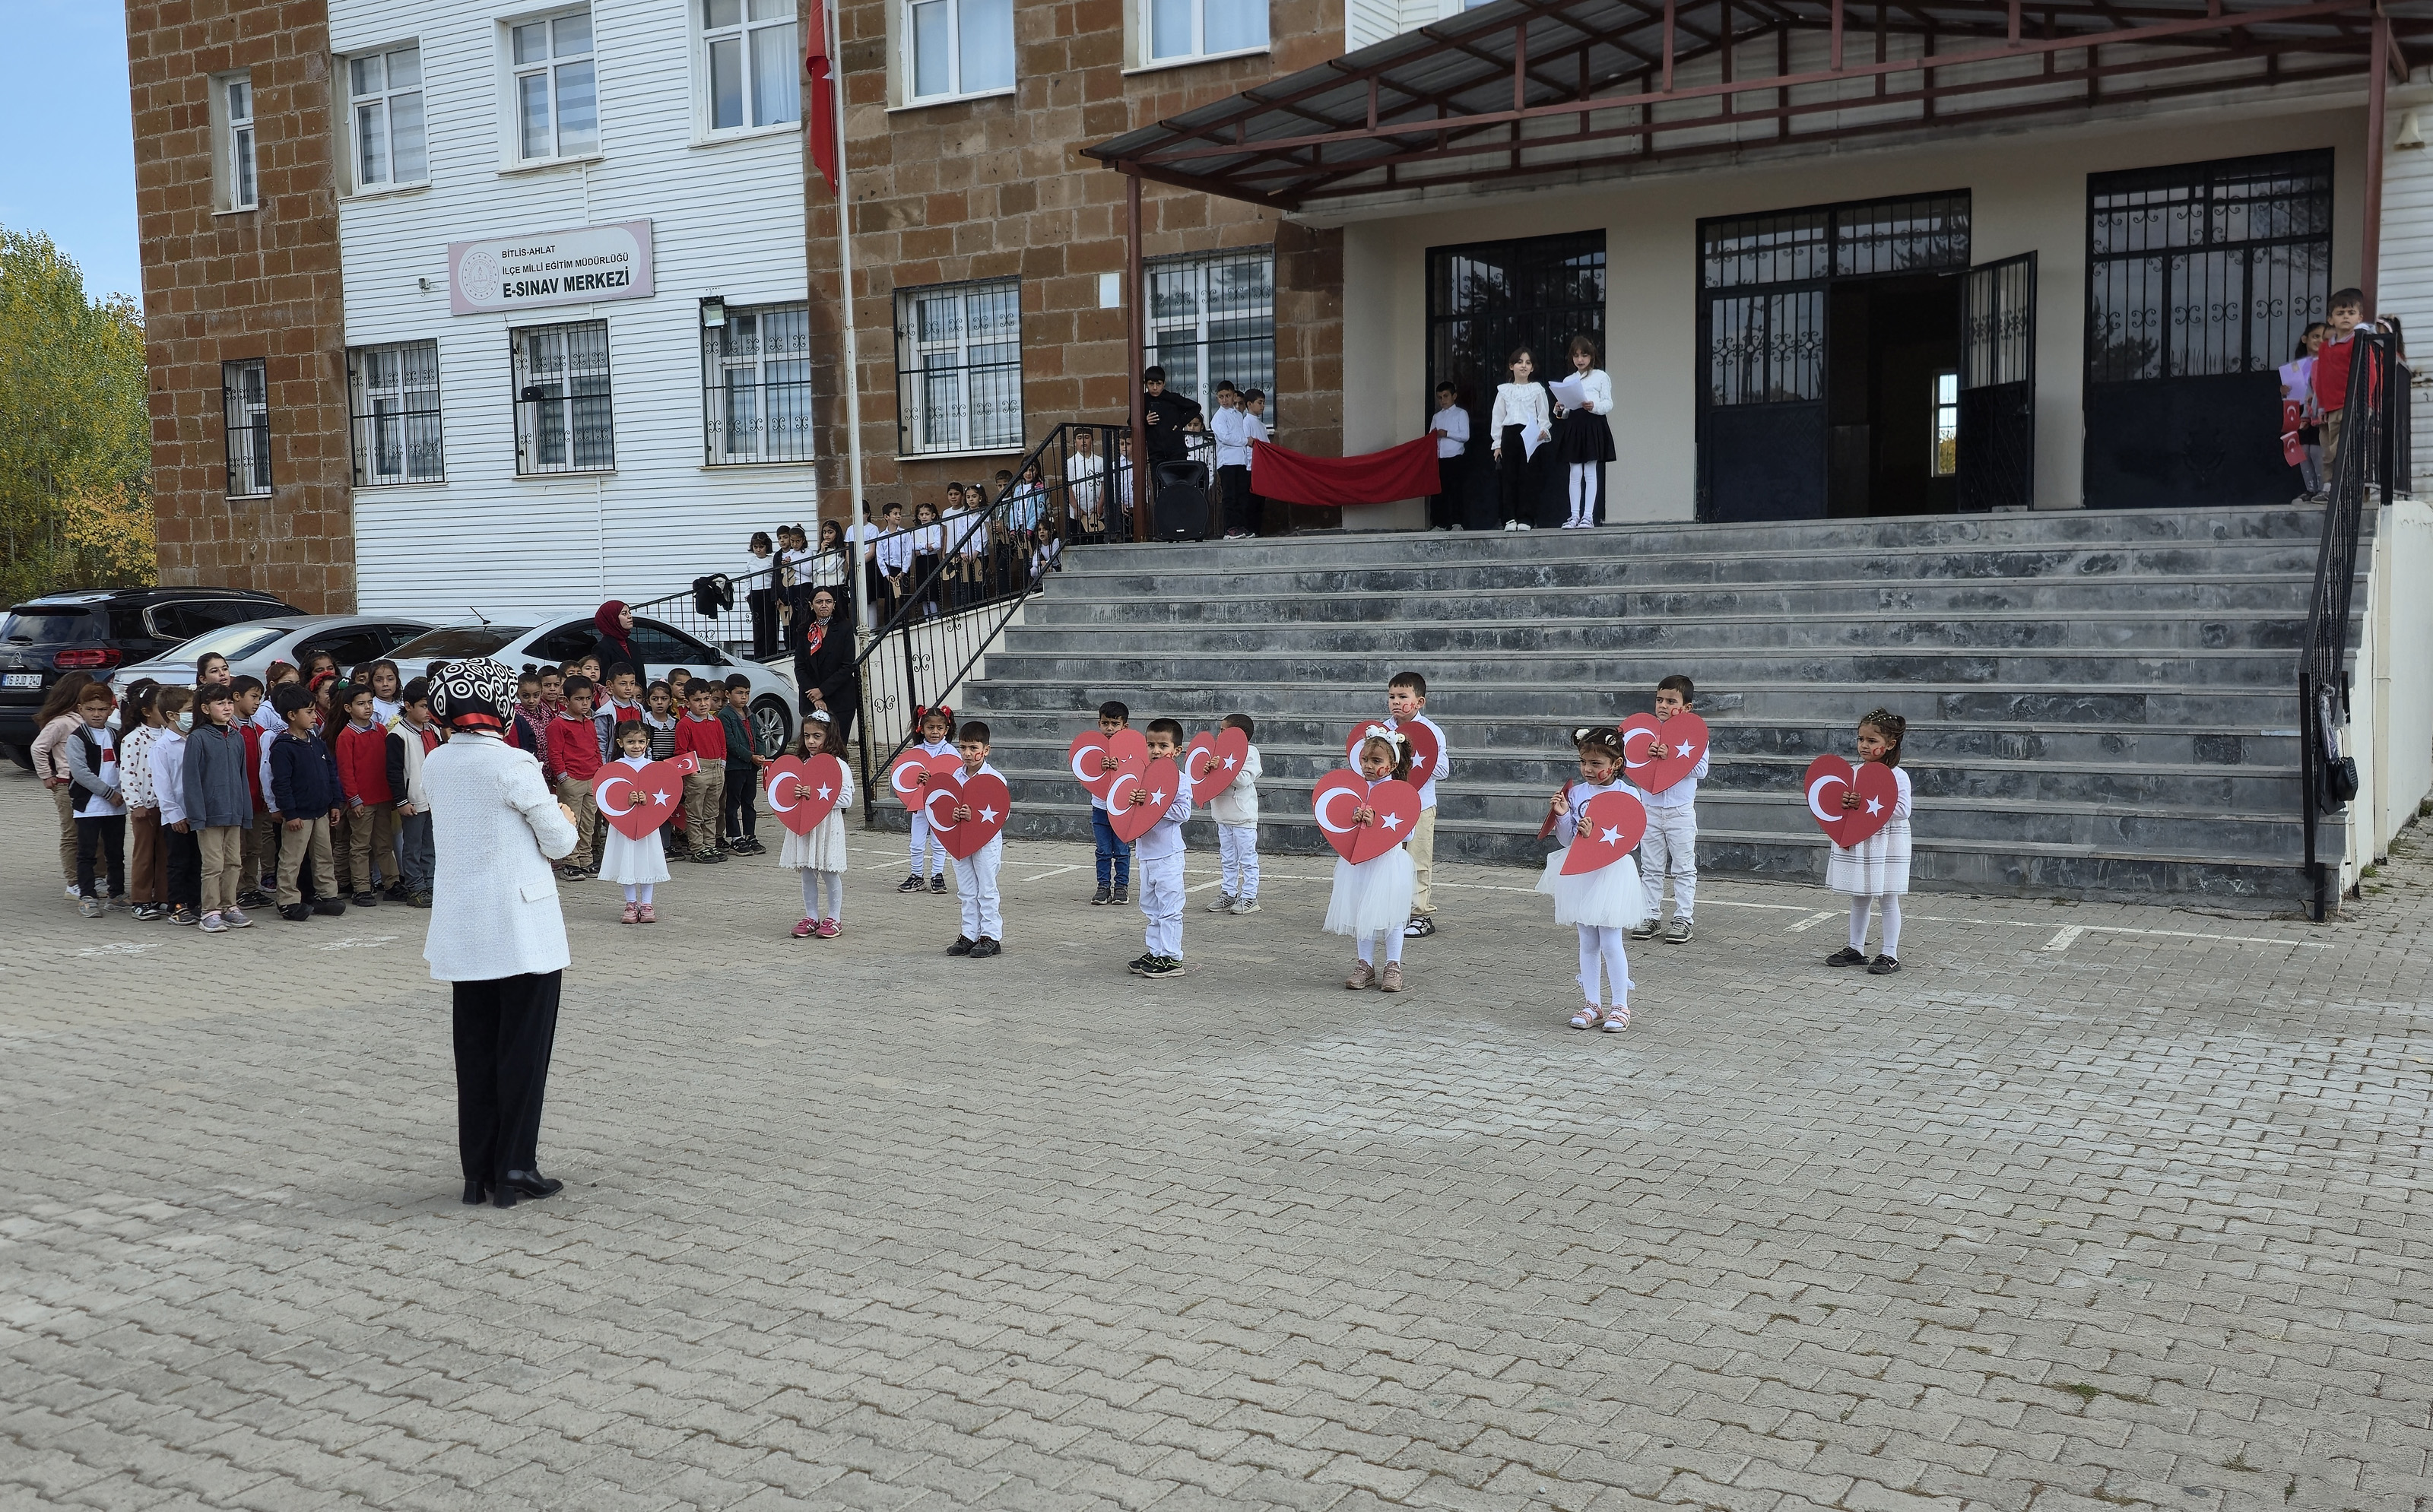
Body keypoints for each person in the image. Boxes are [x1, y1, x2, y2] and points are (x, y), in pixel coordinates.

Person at [423, 658, 581, 1210]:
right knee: (522, 1052)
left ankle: (478, 1170)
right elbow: (559, 841)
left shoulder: (437, 760)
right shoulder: (514, 761)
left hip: (464, 926)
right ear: (501, 706)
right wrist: (565, 814)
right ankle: (516, 1164)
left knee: (474, 1052)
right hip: (519, 928)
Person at [1538, 726, 1645, 1031]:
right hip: (1581, 872)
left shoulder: (1628, 794)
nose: (1587, 769)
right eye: (1583, 761)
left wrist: (1595, 835)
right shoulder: (1577, 794)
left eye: (1596, 763)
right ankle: (1592, 1003)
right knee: (1587, 941)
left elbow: (1631, 841)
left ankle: (1620, 1005)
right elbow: (1567, 840)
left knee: (1611, 941)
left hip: (1611, 874)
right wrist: (1562, 815)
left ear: (1616, 764)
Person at [1328, 730, 1419, 992]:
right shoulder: (1356, 791)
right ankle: (1365, 964)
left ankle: (1393, 965)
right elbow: (1342, 826)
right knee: (1362, 912)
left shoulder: (1399, 793)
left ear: (1392, 765)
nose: (1368, 765)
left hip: (1388, 864)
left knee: (1392, 916)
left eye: (1377, 761)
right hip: (1360, 864)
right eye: (1365, 759)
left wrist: (1377, 821)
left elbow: (1408, 832)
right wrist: (1354, 819)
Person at [1826, 708, 1914, 975]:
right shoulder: (1853, 773)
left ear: (1890, 744)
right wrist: (1845, 803)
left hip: (1886, 842)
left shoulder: (1897, 776)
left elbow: (1903, 810)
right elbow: (1840, 808)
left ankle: (1890, 953)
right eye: (1861, 739)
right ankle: (1855, 948)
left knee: (1888, 897)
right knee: (1860, 895)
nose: (1864, 745)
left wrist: (1865, 804)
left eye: (1872, 741)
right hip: (1860, 841)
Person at [1629, 674, 1708, 945]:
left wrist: (1672, 756)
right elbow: (1632, 763)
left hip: (1680, 811)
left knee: (1684, 868)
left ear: (1687, 707)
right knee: (1650, 867)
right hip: (1650, 809)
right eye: (1659, 699)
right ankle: (1650, 915)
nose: (1663, 705)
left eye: (1671, 701)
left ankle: (1684, 918)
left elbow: (1701, 769)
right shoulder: (1646, 734)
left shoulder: (1695, 734)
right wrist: (1647, 754)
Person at [270, 683, 346, 921]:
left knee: (324, 855)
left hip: (321, 811)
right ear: (292, 715)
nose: (314, 716)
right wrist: (290, 813)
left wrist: (335, 803)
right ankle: (287, 900)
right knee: (292, 859)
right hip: (299, 814)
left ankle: (327, 894)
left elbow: (331, 773)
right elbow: (281, 783)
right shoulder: (283, 747)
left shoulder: (316, 742)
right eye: (309, 712)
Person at [182, 683, 255, 932]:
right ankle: (209, 911)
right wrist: (197, 815)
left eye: (229, 703)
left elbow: (243, 776)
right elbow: (191, 780)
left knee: (234, 862)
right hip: (209, 814)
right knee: (213, 864)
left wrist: (245, 811)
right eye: (220, 703)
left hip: (234, 811)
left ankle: (229, 906)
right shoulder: (198, 738)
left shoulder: (236, 737)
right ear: (205, 708)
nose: (227, 707)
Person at [1126, 718, 1194, 979]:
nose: (1156, 751)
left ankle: (1172, 957)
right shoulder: (1142, 777)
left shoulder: (1180, 780)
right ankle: (1156, 952)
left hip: (1168, 855)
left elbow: (1183, 813)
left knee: (1170, 908)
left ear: (1176, 750)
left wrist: (1154, 804)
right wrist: (1132, 800)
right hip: (1146, 853)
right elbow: (1132, 814)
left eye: (1163, 746)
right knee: (1151, 907)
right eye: (1151, 745)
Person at [779, 711, 853, 938]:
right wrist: (796, 794)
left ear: (829, 736)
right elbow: (788, 794)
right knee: (807, 872)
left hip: (827, 825)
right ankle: (811, 916)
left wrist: (817, 798)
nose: (811, 741)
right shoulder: (802, 764)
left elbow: (846, 799)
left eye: (817, 736)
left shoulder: (839, 765)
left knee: (829, 871)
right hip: (804, 825)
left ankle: (835, 918)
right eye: (807, 736)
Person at [1387, 671, 1450, 938]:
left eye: (1403, 697)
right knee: (1390, 859)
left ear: (1419, 701)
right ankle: (1392, 911)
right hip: (1390, 807)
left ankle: (1420, 914)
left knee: (1418, 860)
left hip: (1421, 806)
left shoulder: (1431, 732)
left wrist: (1412, 758)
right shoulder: (1383, 730)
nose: (1396, 702)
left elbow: (1443, 770)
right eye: (1392, 696)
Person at [62, 680, 128, 918]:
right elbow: (81, 773)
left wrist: (123, 793)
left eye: (102, 709)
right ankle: (87, 896)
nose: (97, 714)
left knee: (116, 853)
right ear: (81, 709)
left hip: (117, 805)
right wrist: (109, 793)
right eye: (91, 709)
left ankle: (117, 893)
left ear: (111, 710)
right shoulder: (77, 738)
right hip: (90, 805)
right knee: (87, 852)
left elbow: (123, 766)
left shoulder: (116, 735)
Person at [32, 670, 100, 899]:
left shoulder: (88, 719)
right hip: (67, 785)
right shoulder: (61, 722)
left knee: (96, 833)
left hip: (93, 784)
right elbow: (38, 748)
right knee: (72, 834)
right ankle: (74, 882)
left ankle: (97, 877)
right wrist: (46, 775)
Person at [598, 721, 671, 923]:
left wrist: (647, 799)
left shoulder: (652, 767)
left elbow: (660, 796)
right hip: (624, 825)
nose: (636, 746)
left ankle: (647, 903)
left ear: (647, 742)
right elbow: (610, 797)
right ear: (620, 743)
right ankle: (630, 903)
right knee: (627, 860)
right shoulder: (615, 768)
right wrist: (627, 800)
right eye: (631, 742)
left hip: (647, 825)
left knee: (647, 859)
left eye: (641, 741)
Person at [945, 720, 1007, 959]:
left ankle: (991, 935)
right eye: (963, 747)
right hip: (960, 840)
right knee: (966, 889)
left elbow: (1002, 813)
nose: (967, 753)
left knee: (986, 888)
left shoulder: (995, 778)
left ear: (986, 750)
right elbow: (947, 806)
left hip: (986, 842)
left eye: (973, 748)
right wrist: (954, 814)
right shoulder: (956, 776)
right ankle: (969, 933)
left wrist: (976, 817)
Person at [334, 684, 398, 907]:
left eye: (370, 702)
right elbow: (346, 771)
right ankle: (361, 887)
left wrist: (391, 795)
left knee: (384, 843)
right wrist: (354, 798)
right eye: (361, 704)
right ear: (348, 708)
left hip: (382, 797)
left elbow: (386, 764)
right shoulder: (347, 736)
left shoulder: (380, 730)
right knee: (360, 846)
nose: (367, 707)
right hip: (362, 800)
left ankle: (392, 883)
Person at [543, 676, 607, 877]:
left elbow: (596, 749)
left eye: (588, 699)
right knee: (572, 822)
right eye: (579, 699)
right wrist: (564, 778)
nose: (585, 703)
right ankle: (570, 861)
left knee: (589, 822)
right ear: (566, 700)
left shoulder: (589, 722)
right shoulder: (558, 724)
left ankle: (586, 858)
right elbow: (554, 753)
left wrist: (600, 770)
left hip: (592, 778)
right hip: (572, 780)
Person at [1553, 334, 1616, 528]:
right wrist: (1559, 409)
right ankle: (1574, 516)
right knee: (1574, 471)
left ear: (1592, 356)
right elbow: (1565, 412)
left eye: (1584, 355)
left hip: (1592, 423)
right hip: (1574, 424)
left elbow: (1608, 404)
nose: (1580, 360)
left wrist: (1593, 406)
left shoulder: (1601, 376)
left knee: (1589, 470)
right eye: (1576, 355)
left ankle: (1588, 516)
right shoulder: (1569, 379)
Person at [389, 679, 441, 908]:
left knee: (430, 844)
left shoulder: (434, 731)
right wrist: (402, 801)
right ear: (408, 706)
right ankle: (415, 888)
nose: (428, 711)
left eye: (431, 706)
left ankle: (431, 883)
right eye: (423, 706)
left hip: (433, 800)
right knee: (412, 847)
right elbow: (393, 772)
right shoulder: (398, 735)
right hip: (413, 800)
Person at [1205, 712, 1264, 916]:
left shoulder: (1250, 752)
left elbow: (1244, 779)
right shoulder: (1216, 752)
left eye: (1224, 731)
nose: (1219, 734)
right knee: (1228, 858)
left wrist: (1221, 768)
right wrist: (1208, 769)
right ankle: (1228, 893)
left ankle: (1250, 896)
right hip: (1222, 815)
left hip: (1243, 817)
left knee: (1247, 859)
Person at [119, 680, 167, 921]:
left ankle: (163, 896)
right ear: (147, 711)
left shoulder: (170, 735)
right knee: (144, 854)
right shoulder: (134, 738)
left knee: (165, 853)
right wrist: (135, 804)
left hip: (165, 807)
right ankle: (141, 900)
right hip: (144, 808)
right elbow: (127, 773)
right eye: (161, 707)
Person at [1490, 345, 1552, 532]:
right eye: (1519, 362)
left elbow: (1543, 416)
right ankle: (1509, 518)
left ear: (1532, 368)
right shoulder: (1504, 391)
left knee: (1528, 477)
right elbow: (1498, 418)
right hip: (1510, 435)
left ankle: (1526, 517)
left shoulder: (1537, 389)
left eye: (1528, 363)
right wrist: (1497, 444)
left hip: (1530, 434)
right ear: (1512, 366)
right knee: (1509, 477)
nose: (1523, 366)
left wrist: (1543, 431)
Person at [152, 686, 200, 924]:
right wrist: (174, 814)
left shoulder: (195, 739)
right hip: (177, 816)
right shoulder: (162, 747)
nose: (193, 715)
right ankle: (177, 905)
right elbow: (163, 786)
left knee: (197, 860)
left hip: (198, 813)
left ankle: (195, 902)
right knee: (178, 862)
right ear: (172, 715)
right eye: (189, 710)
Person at [900, 705, 957, 892]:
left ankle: (937, 875)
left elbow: (955, 777)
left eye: (939, 728)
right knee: (916, 843)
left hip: (940, 805)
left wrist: (934, 780)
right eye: (930, 727)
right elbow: (908, 778)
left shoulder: (951, 752)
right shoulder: (916, 752)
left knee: (938, 842)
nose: (935, 732)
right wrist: (917, 779)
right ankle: (917, 875)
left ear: (946, 729)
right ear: (921, 728)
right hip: (920, 805)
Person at [794, 586, 858, 750]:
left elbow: (847, 666)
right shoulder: (804, 631)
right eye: (819, 602)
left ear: (834, 605)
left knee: (836, 748)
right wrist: (815, 697)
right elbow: (800, 667)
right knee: (813, 749)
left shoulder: (844, 628)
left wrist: (822, 691)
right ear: (811, 605)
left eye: (828, 601)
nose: (824, 605)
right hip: (811, 700)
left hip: (840, 700)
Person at [674, 681, 729, 864]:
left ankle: (710, 844)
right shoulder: (685, 724)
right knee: (695, 811)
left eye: (706, 699)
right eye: (697, 700)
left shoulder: (716, 721)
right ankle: (697, 847)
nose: (703, 704)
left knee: (712, 811)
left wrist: (722, 766)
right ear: (687, 701)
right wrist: (693, 772)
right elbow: (681, 751)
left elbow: (723, 746)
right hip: (697, 770)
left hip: (716, 769)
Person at [1087, 700, 1134, 906]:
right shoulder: (1094, 749)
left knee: (1122, 850)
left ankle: (1121, 886)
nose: (1109, 728)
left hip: (1122, 809)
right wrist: (1099, 767)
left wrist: (1119, 768)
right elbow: (1085, 774)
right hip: (1100, 808)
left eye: (1115, 724)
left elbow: (1136, 773)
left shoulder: (1131, 748)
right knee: (1103, 850)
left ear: (1125, 726)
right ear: (1099, 723)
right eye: (1105, 723)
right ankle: (1103, 887)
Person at [719, 675, 766, 856]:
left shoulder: (750, 714)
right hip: (735, 767)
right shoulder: (725, 716)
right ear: (728, 694)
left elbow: (759, 736)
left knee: (749, 802)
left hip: (751, 767)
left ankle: (750, 835)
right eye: (739, 693)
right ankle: (735, 837)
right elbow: (730, 743)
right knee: (733, 803)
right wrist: (750, 756)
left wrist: (761, 754)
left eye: (747, 693)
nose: (744, 697)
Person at [2282, 325, 2327, 503]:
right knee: (2302, 451)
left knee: (2318, 450)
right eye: (2315, 336)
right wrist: (2284, 393)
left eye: (2324, 337)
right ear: (2304, 339)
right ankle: (2310, 489)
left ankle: (2322, 489)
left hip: (2319, 411)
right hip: (2299, 412)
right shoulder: (2295, 367)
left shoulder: (2327, 361)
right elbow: (2290, 395)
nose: (2320, 341)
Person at [1210, 382, 1255, 539]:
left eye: (1228, 396)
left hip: (1240, 461)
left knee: (1241, 495)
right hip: (1227, 462)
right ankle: (1230, 528)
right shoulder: (1218, 417)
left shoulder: (1238, 415)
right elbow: (1225, 437)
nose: (1225, 400)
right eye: (1221, 397)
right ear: (1217, 398)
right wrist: (1245, 441)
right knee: (1230, 496)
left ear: (1234, 396)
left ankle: (1241, 525)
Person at [1427, 382, 1470, 532]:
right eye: (1440, 397)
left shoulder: (1461, 414)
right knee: (1439, 492)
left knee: (1456, 491)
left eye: (1446, 396)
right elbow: (1430, 437)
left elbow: (1465, 436)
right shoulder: (1436, 417)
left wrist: (1447, 434)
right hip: (1440, 458)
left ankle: (1458, 523)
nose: (1443, 400)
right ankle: (1440, 524)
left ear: (1454, 396)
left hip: (1455, 458)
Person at [1140, 365, 1201, 468]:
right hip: (1156, 453)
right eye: (1151, 383)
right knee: (1158, 477)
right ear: (1146, 384)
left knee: (1177, 477)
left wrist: (1180, 424)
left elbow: (1196, 407)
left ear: (1163, 384)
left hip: (1176, 450)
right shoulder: (1143, 400)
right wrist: (1145, 421)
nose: (1155, 388)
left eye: (1158, 384)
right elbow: (1131, 421)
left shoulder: (1172, 398)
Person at [745, 531, 781, 658]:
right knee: (758, 626)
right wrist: (747, 594)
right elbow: (747, 578)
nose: (758, 550)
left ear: (767, 546)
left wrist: (776, 595)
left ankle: (772, 654)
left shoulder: (772, 560)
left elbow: (776, 578)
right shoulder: (751, 561)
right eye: (755, 547)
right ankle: (759, 656)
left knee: (771, 625)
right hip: (755, 594)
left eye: (761, 547)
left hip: (769, 593)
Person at [588, 600, 642, 677]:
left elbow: (641, 676)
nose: (630, 616)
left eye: (629, 612)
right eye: (624, 614)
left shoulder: (634, 645)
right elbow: (603, 678)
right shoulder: (602, 648)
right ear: (612, 618)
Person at [368, 660, 404, 724]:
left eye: (390, 679)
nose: (385, 684)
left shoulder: (402, 704)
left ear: (397, 682)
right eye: (379, 680)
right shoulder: (373, 708)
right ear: (372, 684)